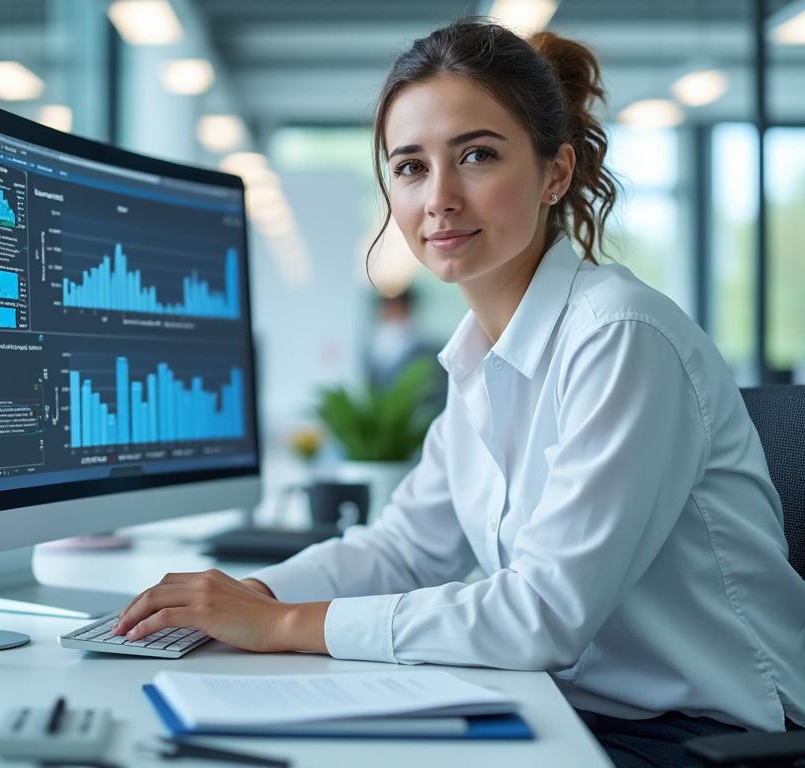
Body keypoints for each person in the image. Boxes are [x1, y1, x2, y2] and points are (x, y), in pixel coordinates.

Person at [113, 18, 805, 766]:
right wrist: (242, 597)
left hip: (714, 734)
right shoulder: (483, 357)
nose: (438, 198)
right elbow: (409, 548)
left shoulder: (621, 335)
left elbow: (543, 615)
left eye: (476, 155)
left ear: (554, 173)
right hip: (578, 710)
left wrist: (281, 625)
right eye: (410, 167)